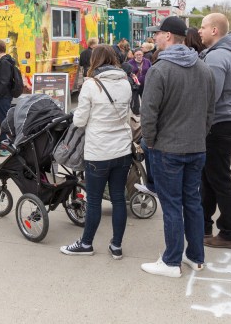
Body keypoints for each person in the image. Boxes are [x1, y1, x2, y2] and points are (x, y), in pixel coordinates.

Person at [139, 16, 215, 278]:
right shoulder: (203, 68)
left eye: (157, 34)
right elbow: (210, 112)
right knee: (192, 201)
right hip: (196, 147)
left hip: (168, 149)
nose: (154, 38)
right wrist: (199, 136)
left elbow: (148, 114)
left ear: (168, 36)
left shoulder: (160, 70)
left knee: (172, 205)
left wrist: (150, 142)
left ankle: (171, 261)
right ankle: (195, 256)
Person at [60, 45, 132, 259]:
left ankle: (86, 243)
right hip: (122, 150)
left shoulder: (91, 85)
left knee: (94, 200)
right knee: (118, 198)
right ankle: (116, 246)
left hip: (98, 152)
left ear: (95, 61)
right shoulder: (125, 82)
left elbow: (80, 120)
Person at [198, 13, 231, 249]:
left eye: (203, 27)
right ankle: (205, 226)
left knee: (218, 179)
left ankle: (229, 231)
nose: (199, 31)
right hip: (225, 121)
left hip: (218, 123)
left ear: (214, 30)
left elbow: (209, 97)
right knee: (210, 179)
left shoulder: (216, 57)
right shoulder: (230, 54)